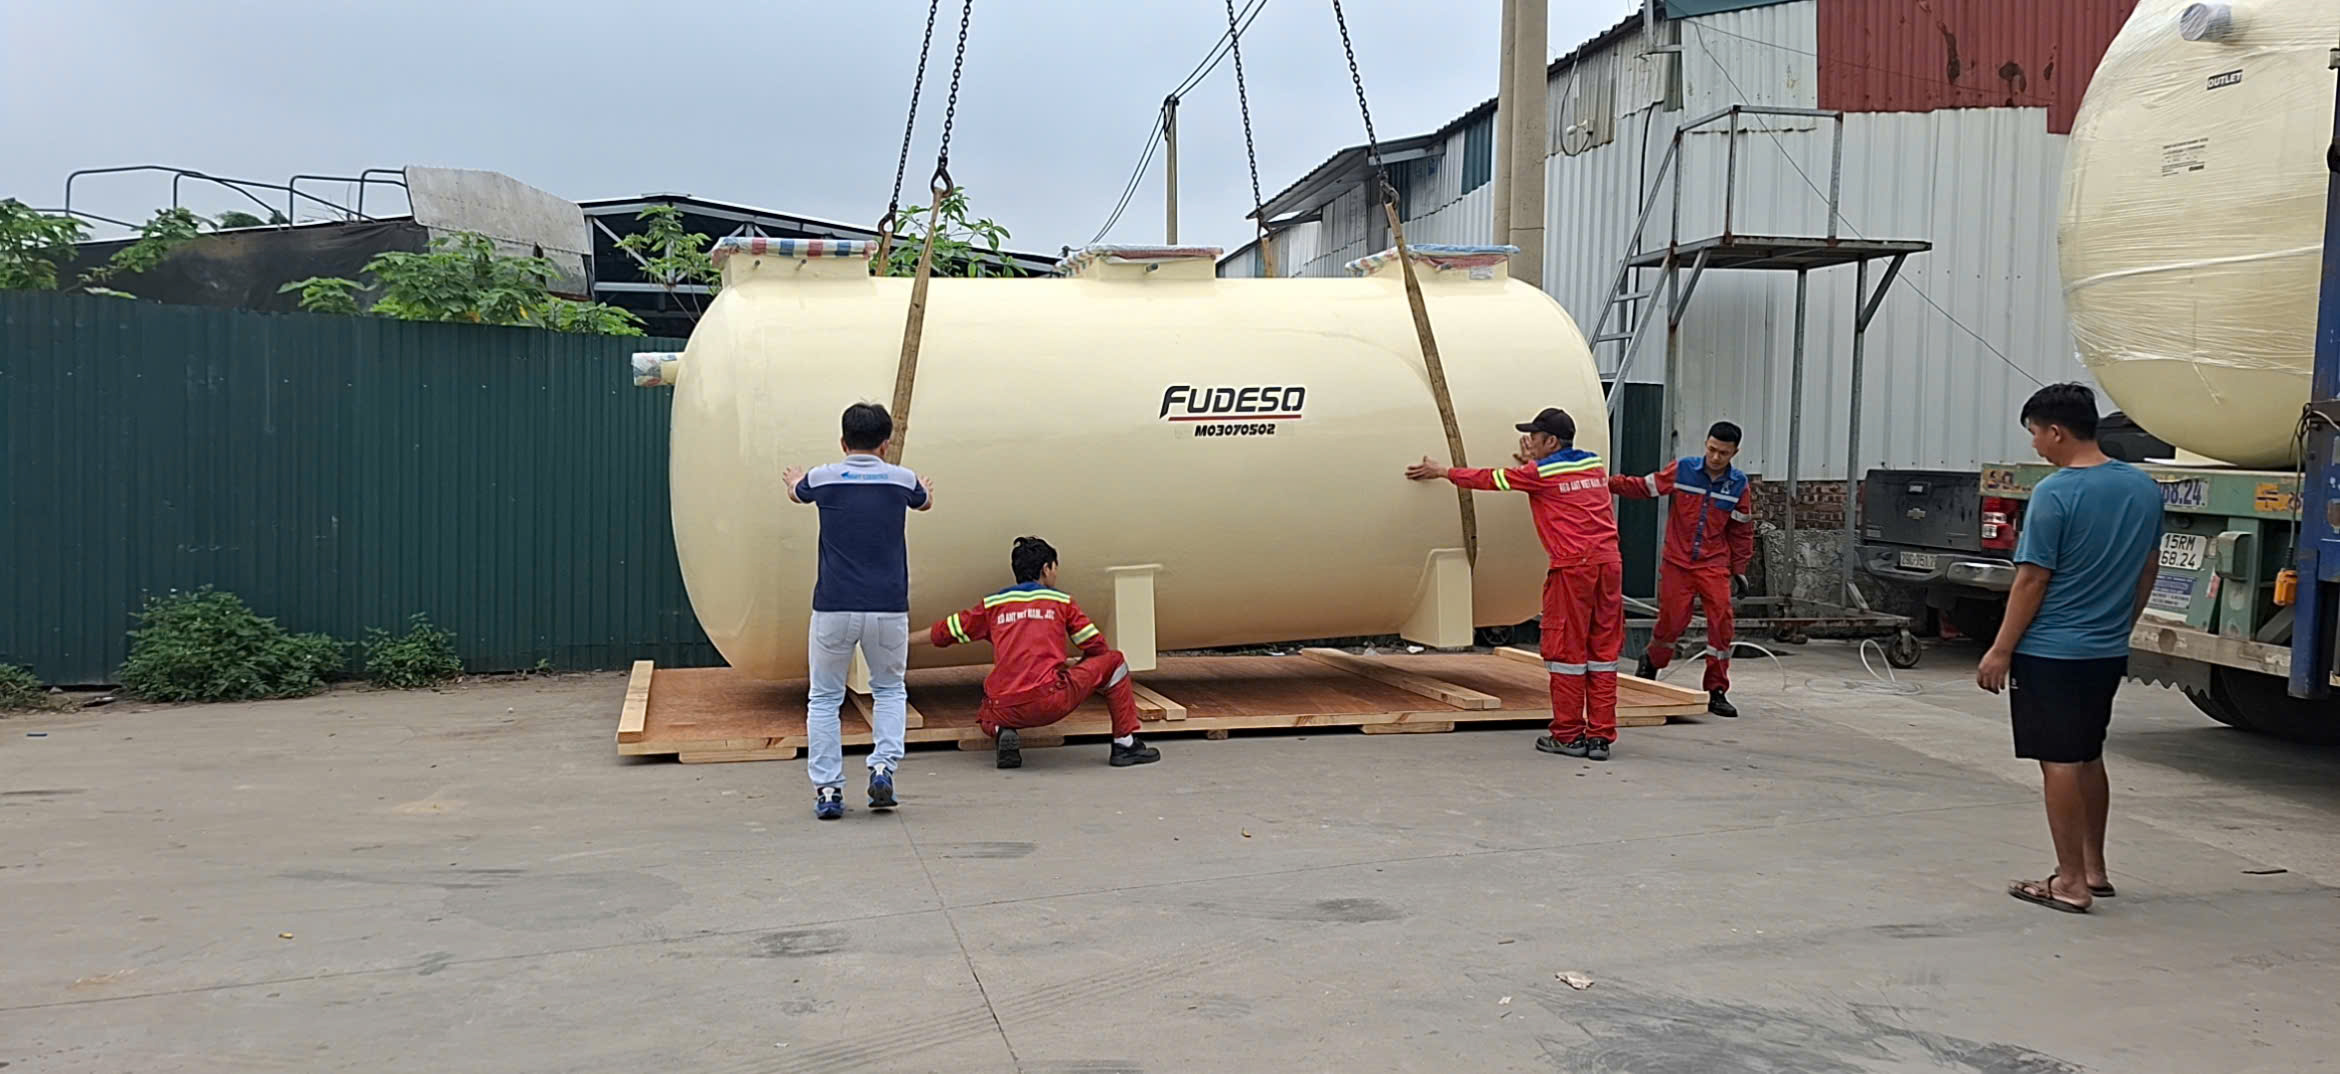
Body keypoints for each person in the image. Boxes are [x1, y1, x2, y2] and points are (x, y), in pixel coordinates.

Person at [1976, 383, 2161, 914]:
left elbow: (2032, 579)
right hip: (2105, 650)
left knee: (2057, 761)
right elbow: (2147, 569)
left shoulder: (2055, 493)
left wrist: (2000, 649)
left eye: (2035, 434)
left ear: (2056, 431)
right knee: (2087, 754)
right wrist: (2120, 625)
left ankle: (2071, 883)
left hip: (2051, 651)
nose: (2035, 445)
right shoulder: (2143, 488)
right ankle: (2095, 868)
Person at [1406, 408, 1626, 759]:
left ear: (1551, 441)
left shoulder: (1539, 474)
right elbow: (1561, 482)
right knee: (1602, 653)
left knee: (1566, 655)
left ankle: (1568, 735)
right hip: (1609, 564)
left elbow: (1490, 479)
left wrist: (1443, 471)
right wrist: (1533, 464)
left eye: (1534, 437)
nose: (1529, 442)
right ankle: (1600, 737)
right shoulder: (1593, 465)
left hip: (1574, 570)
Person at [781, 403, 934, 821]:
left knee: (824, 698)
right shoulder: (902, 479)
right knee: (889, 690)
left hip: (833, 606)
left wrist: (794, 480)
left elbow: (796, 492)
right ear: (886, 444)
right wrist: (923, 487)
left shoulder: (822, 477)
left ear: (843, 442)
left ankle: (829, 790)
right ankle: (883, 768)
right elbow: (924, 502)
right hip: (887, 607)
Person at [928, 536, 1161, 770]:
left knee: (986, 712)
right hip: (1050, 700)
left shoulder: (993, 604)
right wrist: (1080, 671)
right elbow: (1097, 647)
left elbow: (946, 631)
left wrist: (908, 638)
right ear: (1046, 569)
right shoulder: (1061, 601)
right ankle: (1125, 744)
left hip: (1006, 708)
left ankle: (1000, 730)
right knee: (1115, 661)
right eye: (1055, 568)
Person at [1611, 421, 1756, 718]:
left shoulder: (1738, 485)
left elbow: (1741, 531)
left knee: (1722, 622)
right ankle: (1651, 663)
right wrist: (1603, 482)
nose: (1715, 457)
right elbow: (1644, 487)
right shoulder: (1683, 470)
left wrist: (1739, 569)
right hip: (1678, 563)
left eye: (1723, 453)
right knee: (1672, 622)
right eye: (1712, 449)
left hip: (1713, 563)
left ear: (1735, 453)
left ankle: (1716, 689)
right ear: (1706, 444)